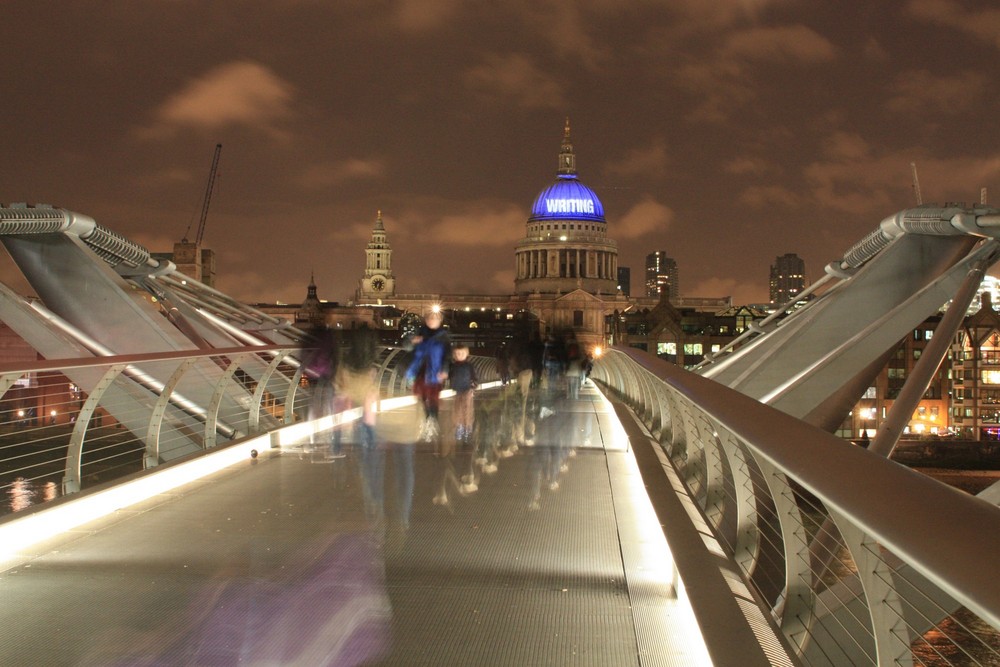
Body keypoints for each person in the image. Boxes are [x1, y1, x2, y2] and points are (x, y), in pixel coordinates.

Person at [334, 325, 379, 457]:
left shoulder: (349, 354)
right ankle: (370, 442)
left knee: (341, 414)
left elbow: (344, 367)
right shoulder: (370, 353)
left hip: (351, 385)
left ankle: (337, 446)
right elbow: (374, 367)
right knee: (367, 413)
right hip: (364, 385)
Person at [405, 310, 450, 441]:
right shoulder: (419, 333)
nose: (432, 321)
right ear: (426, 320)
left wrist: (445, 370)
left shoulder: (443, 336)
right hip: (420, 369)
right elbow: (407, 347)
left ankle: (433, 421)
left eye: (435, 318)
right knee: (423, 397)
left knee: (433, 397)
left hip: (435, 370)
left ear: (439, 321)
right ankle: (428, 419)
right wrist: (412, 341)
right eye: (430, 318)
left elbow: (447, 355)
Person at [299, 324, 338, 453]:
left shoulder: (308, 337)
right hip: (327, 376)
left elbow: (302, 356)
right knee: (329, 407)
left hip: (312, 377)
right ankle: (330, 440)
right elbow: (335, 356)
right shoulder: (328, 335)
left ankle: (312, 440)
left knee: (313, 407)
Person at [449, 344, 478, 445]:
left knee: (467, 409)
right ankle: (459, 426)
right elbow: (449, 375)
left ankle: (467, 428)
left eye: (462, 353)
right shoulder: (453, 366)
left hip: (467, 390)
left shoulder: (469, 366)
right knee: (457, 409)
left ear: (467, 354)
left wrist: (474, 386)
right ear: (454, 355)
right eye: (457, 353)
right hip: (458, 390)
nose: (459, 355)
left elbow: (474, 376)